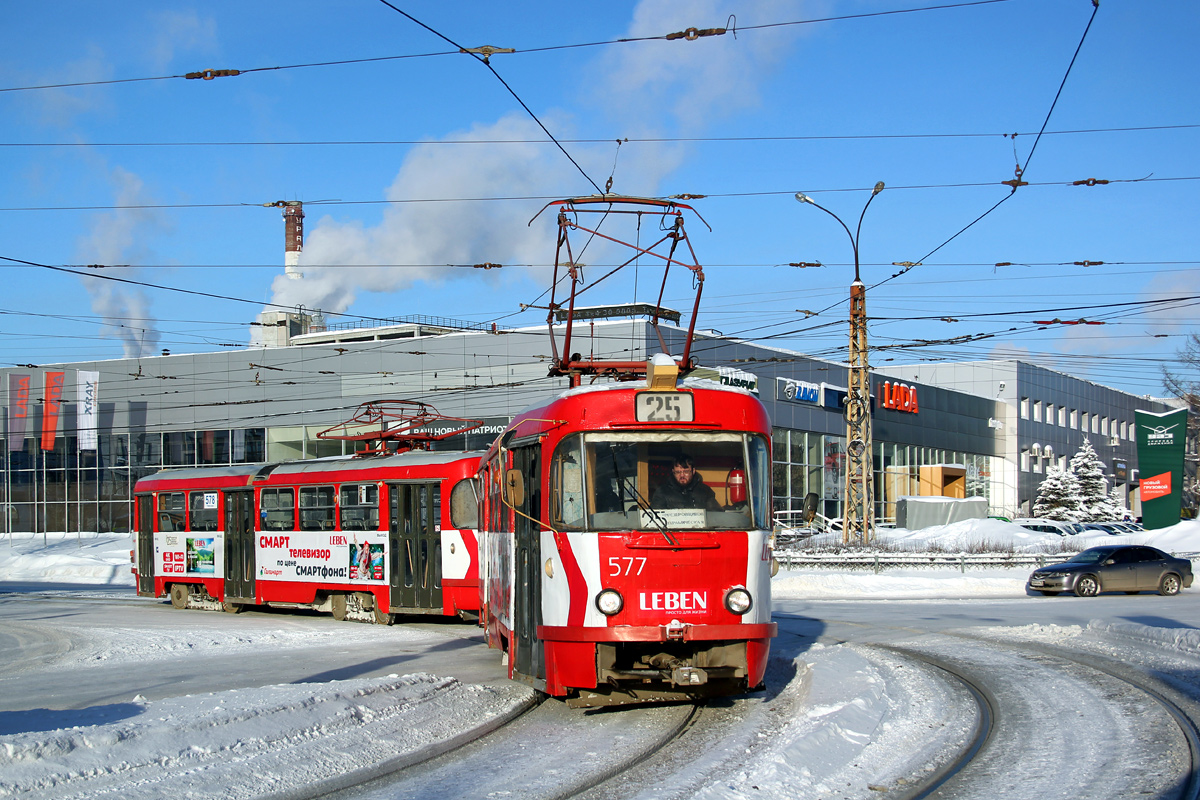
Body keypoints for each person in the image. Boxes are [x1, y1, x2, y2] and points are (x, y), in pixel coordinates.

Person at [651, 455, 722, 511]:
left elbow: (715, 515)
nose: (682, 475)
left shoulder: (705, 491)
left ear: (693, 471)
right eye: (678, 472)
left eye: (686, 471)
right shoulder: (662, 492)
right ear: (673, 472)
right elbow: (655, 518)